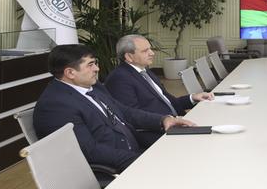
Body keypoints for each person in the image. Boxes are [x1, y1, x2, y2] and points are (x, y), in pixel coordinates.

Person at [33, 44, 195, 171]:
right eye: (90, 65)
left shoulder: (93, 87)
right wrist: (146, 160)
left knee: (191, 153)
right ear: (70, 73)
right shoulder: (56, 105)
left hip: (134, 151)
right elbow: (89, 151)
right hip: (115, 166)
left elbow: (125, 112)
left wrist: (163, 120)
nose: (97, 69)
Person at [104, 35, 214, 143]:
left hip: (176, 123)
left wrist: (192, 98)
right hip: (157, 132)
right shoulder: (118, 78)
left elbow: (166, 102)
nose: (152, 53)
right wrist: (165, 120)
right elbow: (131, 116)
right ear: (128, 56)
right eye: (145, 50)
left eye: (150, 49)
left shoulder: (146, 72)